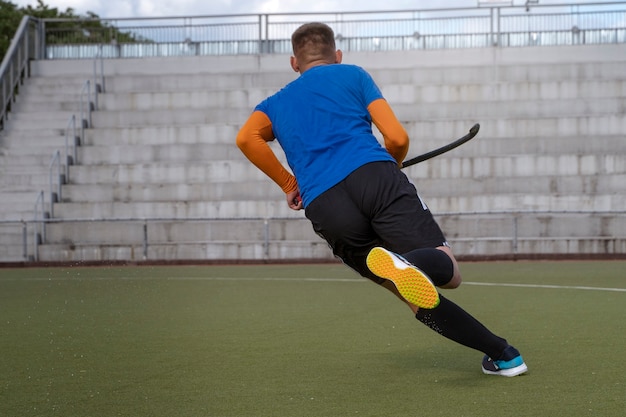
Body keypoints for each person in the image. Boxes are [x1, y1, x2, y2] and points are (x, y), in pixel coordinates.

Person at [236, 22, 527, 377]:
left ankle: (504, 354)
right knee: (447, 271)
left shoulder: (274, 104)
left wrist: (288, 183)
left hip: (324, 203)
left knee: (409, 293)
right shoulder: (353, 76)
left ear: (294, 63)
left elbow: (247, 139)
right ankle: (411, 266)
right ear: (337, 56)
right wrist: (393, 165)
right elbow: (397, 136)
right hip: (375, 177)